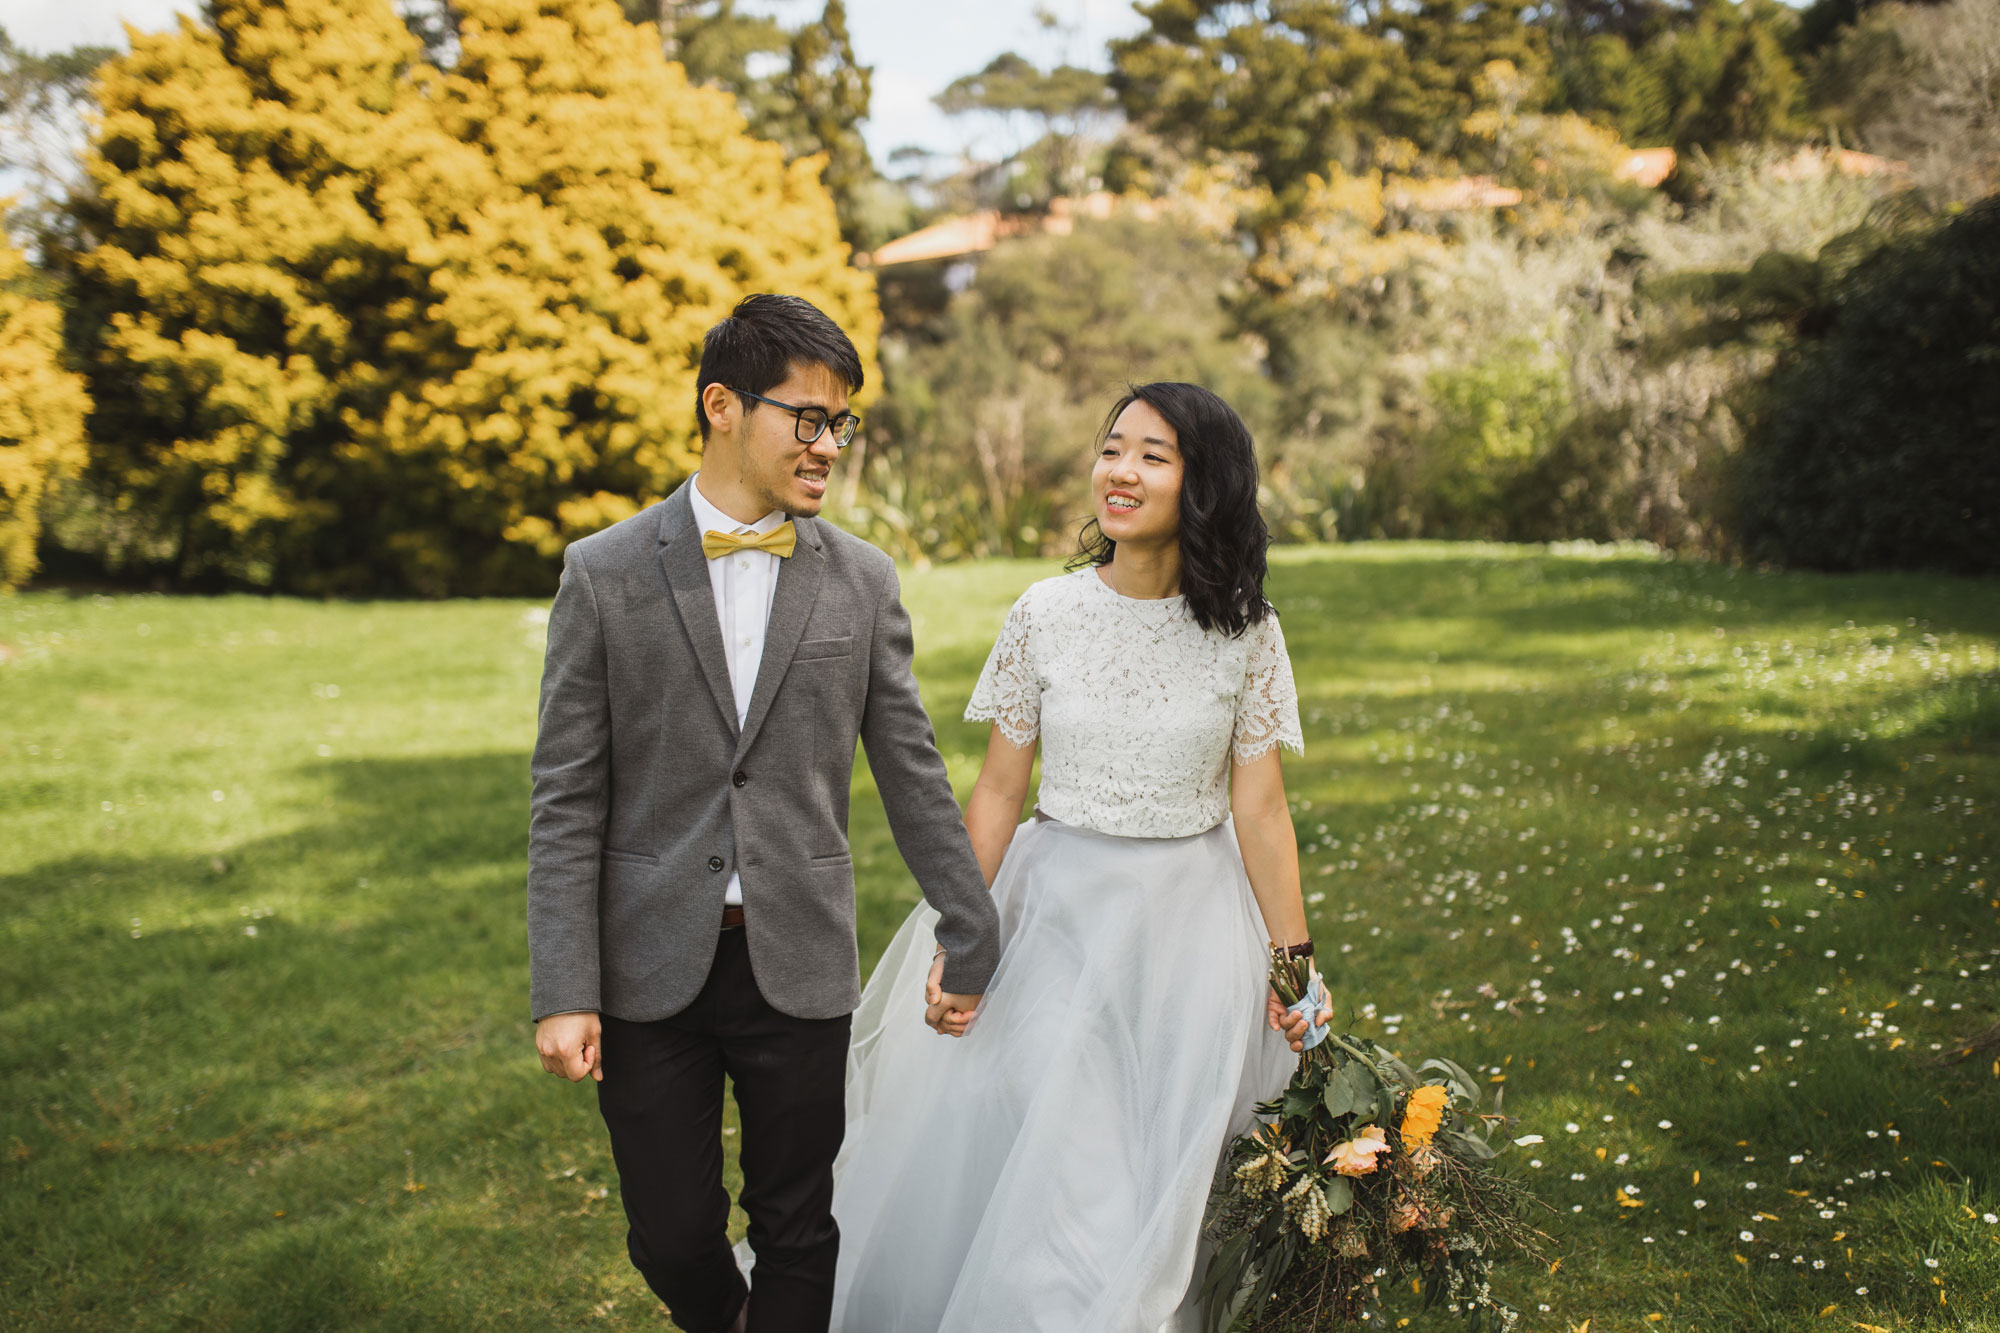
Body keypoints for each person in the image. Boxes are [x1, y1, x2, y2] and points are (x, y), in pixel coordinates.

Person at [526, 293, 1002, 1333]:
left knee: (797, 1223)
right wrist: (563, 985)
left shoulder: (862, 582)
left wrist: (972, 923)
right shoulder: (602, 575)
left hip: (798, 958)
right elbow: (565, 795)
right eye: (807, 417)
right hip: (646, 964)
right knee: (674, 1232)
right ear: (721, 407)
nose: (828, 444)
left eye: (842, 424)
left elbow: (911, 770)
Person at [826, 381, 1327, 1332]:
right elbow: (1000, 791)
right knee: (1065, 1162)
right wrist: (962, 932)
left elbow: (1260, 810)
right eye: (1112, 448)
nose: (1120, 471)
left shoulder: (1247, 632)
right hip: (1055, 914)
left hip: (1191, 931)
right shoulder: (1045, 613)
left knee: (1164, 1166)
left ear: (1203, 483)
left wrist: (1293, 960)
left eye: (1152, 454)